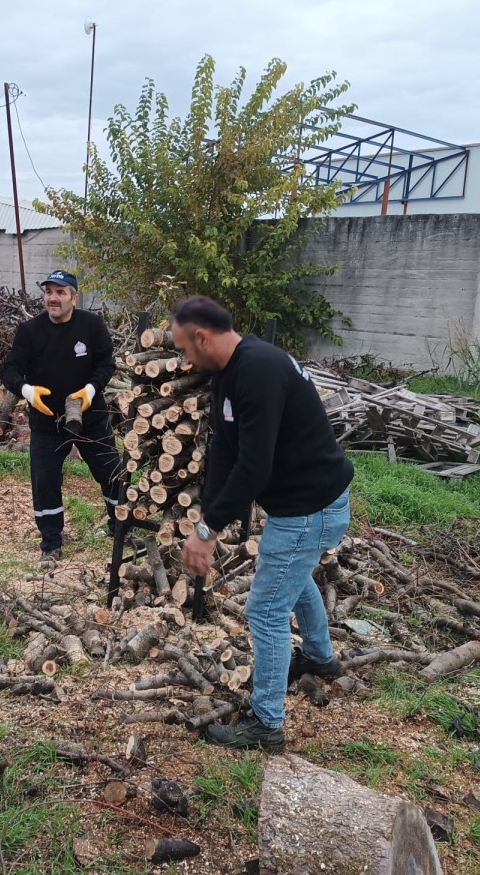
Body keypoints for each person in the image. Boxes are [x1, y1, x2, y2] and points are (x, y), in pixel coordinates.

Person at [174, 296, 354, 750]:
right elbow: (226, 451)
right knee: (292, 580)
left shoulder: (259, 370)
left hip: (311, 507)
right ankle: (319, 658)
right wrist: (208, 514)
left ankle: (266, 724)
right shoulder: (231, 371)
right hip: (302, 504)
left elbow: (254, 467)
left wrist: (205, 533)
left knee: (266, 609)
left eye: (183, 348)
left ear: (202, 337)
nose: (183, 358)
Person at [1, 270, 122, 564]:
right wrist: (27, 391)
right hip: (47, 423)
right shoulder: (30, 331)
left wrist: (91, 390)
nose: (53, 298)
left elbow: (107, 364)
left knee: (112, 474)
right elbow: (9, 370)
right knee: (45, 482)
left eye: (60, 292)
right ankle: (51, 543)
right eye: (49, 292)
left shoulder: (90, 326)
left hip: (90, 417)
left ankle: (121, 528)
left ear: (74, 297)